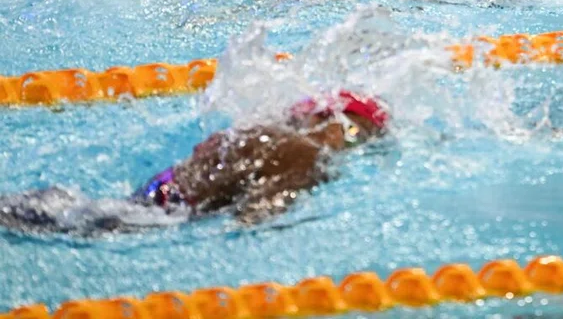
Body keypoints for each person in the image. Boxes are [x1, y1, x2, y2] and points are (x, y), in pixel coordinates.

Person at [0, 91, 389, 233]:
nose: (355, 145)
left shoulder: (262, 129)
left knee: (52, 211)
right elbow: (256, 217)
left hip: (157, 196)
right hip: (160, 215)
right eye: (359, 135)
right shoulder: (310, 154)